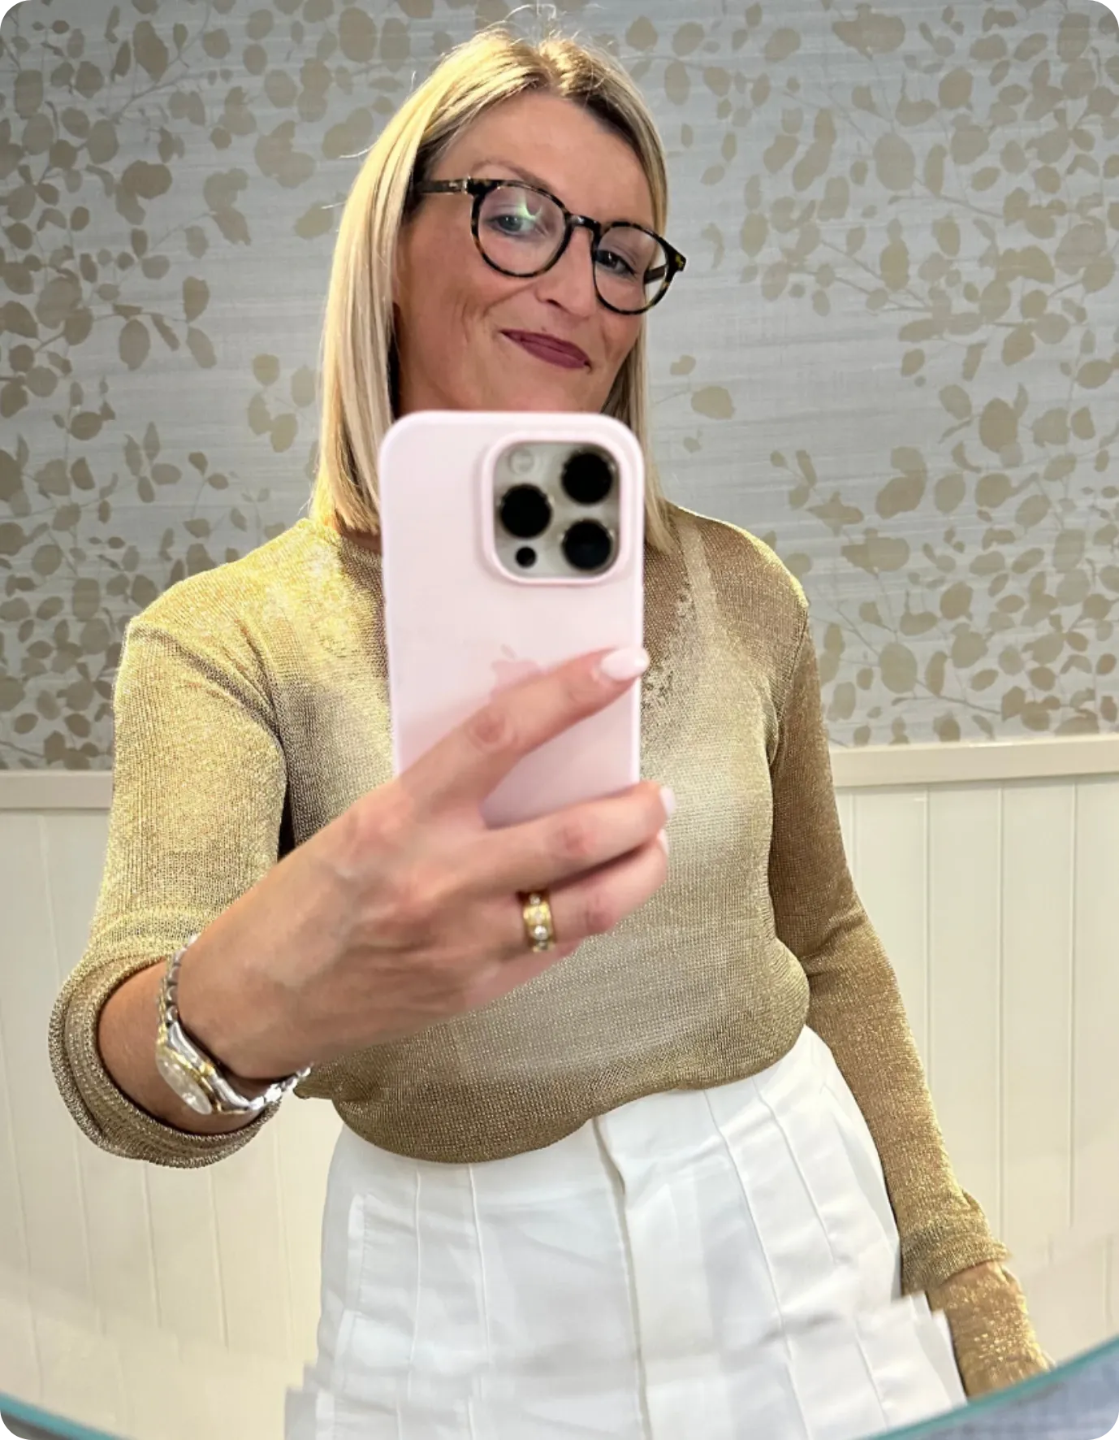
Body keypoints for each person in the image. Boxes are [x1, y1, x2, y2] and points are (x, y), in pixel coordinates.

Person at [49, 26, 1048, 1440]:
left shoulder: (745, 589)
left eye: (622, 252)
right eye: (517, 216)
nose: (577, 284)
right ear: (390, 247)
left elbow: (826, 941)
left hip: (800, 1251)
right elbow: (109, 1055)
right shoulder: (228, 638)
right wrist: (241, 1006)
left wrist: (966, 1276)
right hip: (455, 1316)